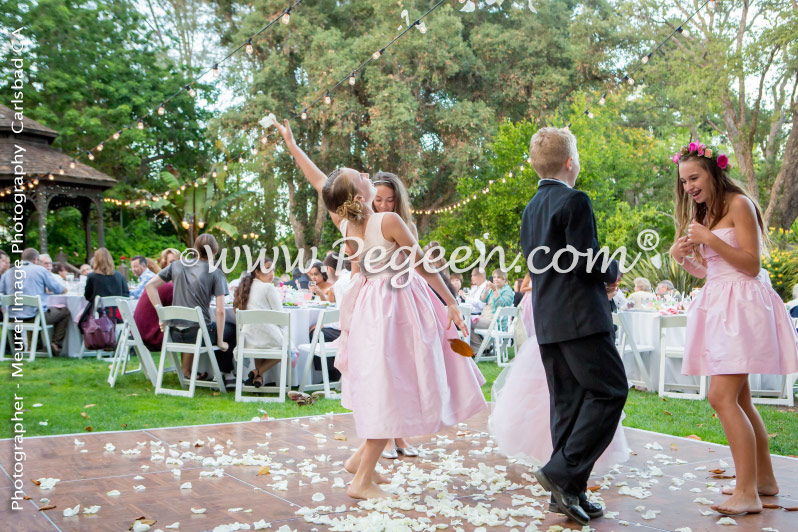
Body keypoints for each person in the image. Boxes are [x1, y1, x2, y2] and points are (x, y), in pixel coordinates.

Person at [275, 118, 486, 500]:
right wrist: (452, 302)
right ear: (360, 196)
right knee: (395, 382)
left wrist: (292, 145)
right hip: (398, 307)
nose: (368, 173)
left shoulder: (346, 224)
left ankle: (361, 463)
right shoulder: (387, 220)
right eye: (363, 176)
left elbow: (319, 182)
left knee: (391, 380)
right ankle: (362, 480)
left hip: (371, 309)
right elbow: (422, 263)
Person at [669, 142, 798, 516]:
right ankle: (764, 481)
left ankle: (746, 493)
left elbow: (751, 265)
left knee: (720, 397)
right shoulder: (707, 212)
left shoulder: (739, 203)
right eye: (684, 181)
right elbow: (713, 272)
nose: (689, 186)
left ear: (713, 171)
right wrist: (684, 258)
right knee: (740, 399)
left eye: (694, 177)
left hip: (742, 308)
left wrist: (709, 240)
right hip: (722, 304)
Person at [521, 126, 627, 526]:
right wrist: (612, 269)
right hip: (581, 319)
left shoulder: (532, 209)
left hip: (549, 320)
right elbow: (585, 258)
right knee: (610, 390)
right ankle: (561, 474)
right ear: (571, 163)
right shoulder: (574, 200)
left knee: (567, 404)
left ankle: (569, 491)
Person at [146, 234, 237, 385]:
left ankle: (203, 372)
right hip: (198, 335)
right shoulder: (215, 272)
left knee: (205, 327)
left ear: (194, 249)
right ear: (215, 251)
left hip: (174, 333)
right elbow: (220, 311)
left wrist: (162, 315)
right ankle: (226, 374)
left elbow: (150, 286)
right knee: (231, 329)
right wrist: (220, 342)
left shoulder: (176, 265)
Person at [0, 248, 69, 355]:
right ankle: (56, 344)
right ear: (36, 260)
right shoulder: (40, 270)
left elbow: (1, 294)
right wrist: (65, 289)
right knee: (64, 311)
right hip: (34, 317)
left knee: (35, 311)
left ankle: (36, 346)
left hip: (12, 318)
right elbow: (57, 289)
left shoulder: (8, 273)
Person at [233, 256, 286, 387]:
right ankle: (258, 371)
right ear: (257, 272)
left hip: (247, 339)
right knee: (288, 347)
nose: (272, 274)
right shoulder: (268, 288)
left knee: (262, 333)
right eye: (268, 269)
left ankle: (257, 378)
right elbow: (282, 319)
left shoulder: (244, 287)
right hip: (266, 339)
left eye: (273, 270)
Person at [470, 269, 515, 350]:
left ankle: (479, 348)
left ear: (505, 280)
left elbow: (501, 305)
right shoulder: (494, 288)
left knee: (467, 322)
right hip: (485, 317)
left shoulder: (507, 291)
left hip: (495, 321)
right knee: (465, 320)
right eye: (494, 277)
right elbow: (483, 299)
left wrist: (494, 290)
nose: (496, 279)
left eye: (499, 277)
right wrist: (486, 291)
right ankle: (483, 347)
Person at [82, 248, 129, 324]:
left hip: (99, 316)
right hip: (118, 316)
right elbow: (126, 295)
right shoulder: (120, 276)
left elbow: (87, 296)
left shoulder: (91, 277)